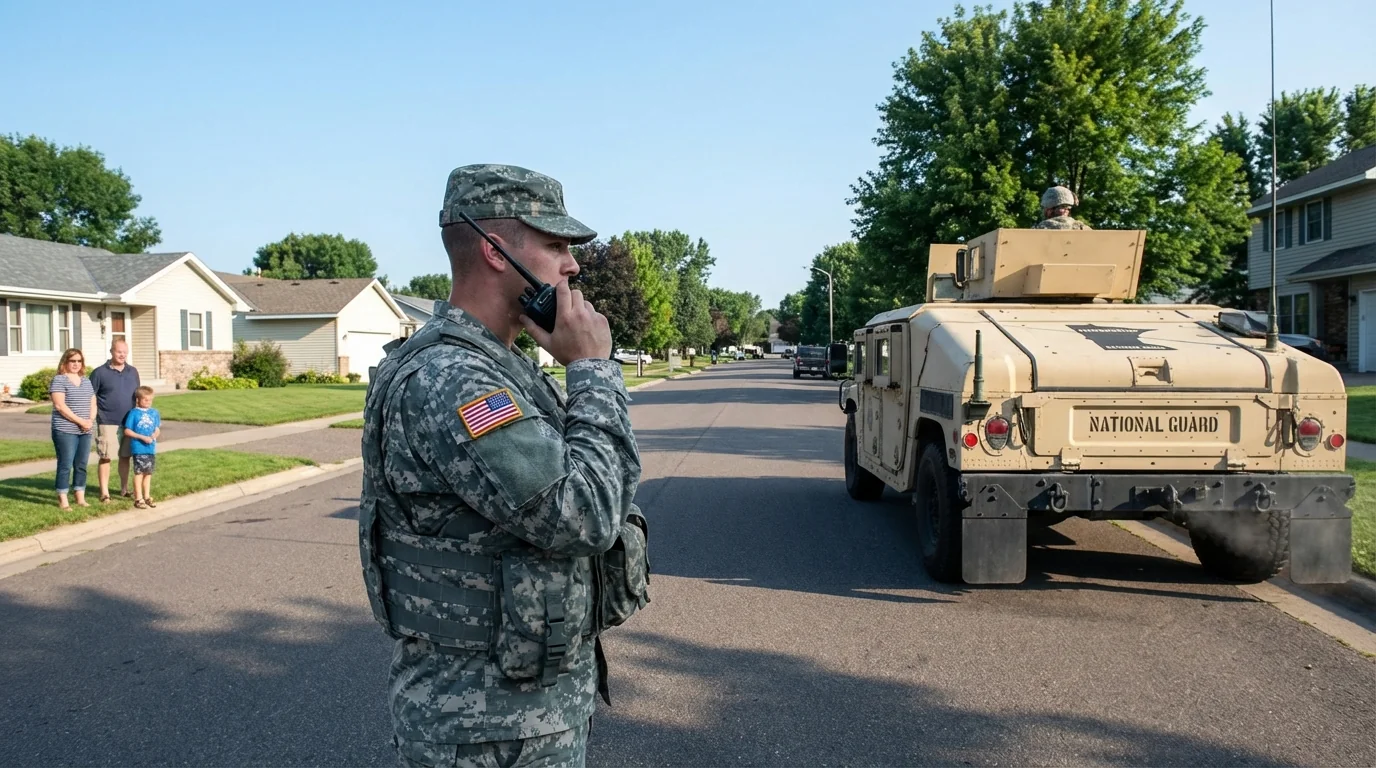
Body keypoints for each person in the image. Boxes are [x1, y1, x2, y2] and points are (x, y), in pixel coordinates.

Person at [359, 164, 650, 768]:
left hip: (518, 715)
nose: (572, 265)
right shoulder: (453, 379)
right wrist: (593, 369)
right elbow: (586, 514)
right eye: (556, 246)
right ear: (495, 251)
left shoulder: (500, 365)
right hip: (487, 729)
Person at [89, 339, 141, 503]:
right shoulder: (99, 373)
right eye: (119, 352)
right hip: (107, 420)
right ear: (111, 351)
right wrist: (91, 417)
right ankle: (104, 492)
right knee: (106, 456)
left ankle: (124, 489)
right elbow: (91, 396)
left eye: (125, 352)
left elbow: (138, 396)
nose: (122, 355)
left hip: (128, 422)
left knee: (125, 456)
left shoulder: (133, 372)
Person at [48, 348, 96, 510]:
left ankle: (80, 497)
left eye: (79, 361)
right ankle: (63, 499)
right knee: (65, 464)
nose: (76, 364)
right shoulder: (59, 380)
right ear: (65, 362)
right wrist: (80, 421)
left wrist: (90, 420)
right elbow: (60, 406)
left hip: (85, 430)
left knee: (81, 464)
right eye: (72, 361)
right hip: (65, 429)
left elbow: (93, 403)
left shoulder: (86, 381)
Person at [122, 385, 161, 509]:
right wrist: (142, 437)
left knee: (148, 473)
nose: (148, 402)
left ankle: (147, 496)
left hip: (150, 448)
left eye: (150, 400)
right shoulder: (134, 413)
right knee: (139, 472)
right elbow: (127, 431)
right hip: (139, 447)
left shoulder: (154, 413)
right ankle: (138, 498)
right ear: (138, 399)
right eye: (145, 400)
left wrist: (154, 435)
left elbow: (157, 428)